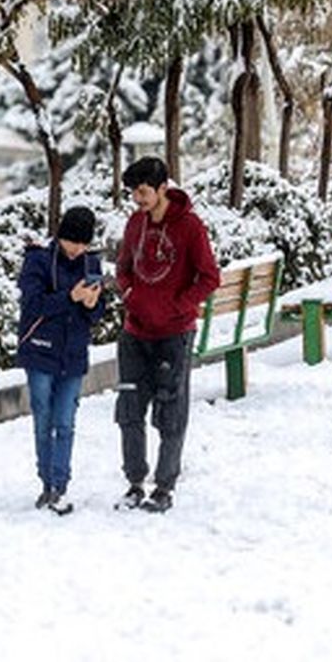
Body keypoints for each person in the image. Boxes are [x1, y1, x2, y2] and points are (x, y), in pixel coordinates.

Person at [114, 156, 219, 512]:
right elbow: (124, 268)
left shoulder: (190, 227)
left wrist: (177, 306)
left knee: (171, 411)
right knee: (129, 409)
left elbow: (209, 277)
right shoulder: (134, 223)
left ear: (163, 189)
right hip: (134, 333)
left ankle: (164, 487)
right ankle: (133, 481)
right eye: (134, 193)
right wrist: (129, 295)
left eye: (143, 192)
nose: (138, 199)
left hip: (173, 334)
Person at [15, 205, 106, 514]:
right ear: (61, 236)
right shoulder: (38, 261)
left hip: (73, 353)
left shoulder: (90, 263)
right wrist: (70, 297)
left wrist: (93, 303)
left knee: (65, 422)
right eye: (72, 242)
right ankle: (46, 483)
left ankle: (60, 484)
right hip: (40, 351)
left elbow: (96, 314)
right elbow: (33, 304)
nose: (77, 249)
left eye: (83, 244)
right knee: (44, 419)